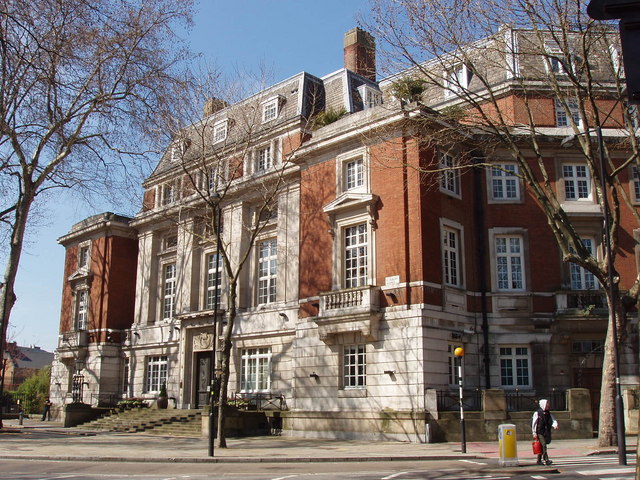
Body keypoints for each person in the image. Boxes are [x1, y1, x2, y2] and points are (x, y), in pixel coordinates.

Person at [532, 398, 559, 465]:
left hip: (546, 431)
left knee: (541, 446)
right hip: (539, 431)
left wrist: (555, 425)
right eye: (547, 403)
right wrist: (534, 433)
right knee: (543, 444)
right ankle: (546, 459)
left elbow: (552, 420)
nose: (548, 405)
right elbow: (534, 423)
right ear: (543, 404)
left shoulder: (548, 413)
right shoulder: (537, 413)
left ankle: (538, 461)